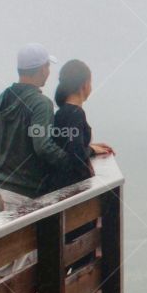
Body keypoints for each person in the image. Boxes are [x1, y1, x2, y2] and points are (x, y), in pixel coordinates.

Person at [0, 43, 70, 212]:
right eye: (48, 67)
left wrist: (6, 161)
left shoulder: (0, 100)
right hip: (25, 195)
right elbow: (42, 146)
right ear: (43, 69)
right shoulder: (40, 104)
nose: (48, 72)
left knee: (2, 240)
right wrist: (70, 160)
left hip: (0, 190)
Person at [46, 58, 114, 192]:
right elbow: (76, 154)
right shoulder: (76, 114)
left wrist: (88, 147)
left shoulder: (61, 113)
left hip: (57, 186)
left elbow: (70, 145)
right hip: (71, 191)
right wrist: (92, 150)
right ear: (84, 85)